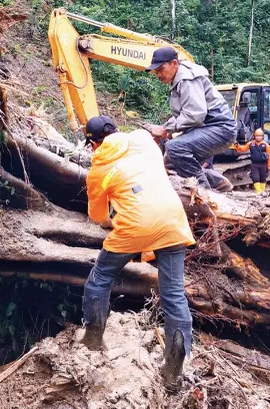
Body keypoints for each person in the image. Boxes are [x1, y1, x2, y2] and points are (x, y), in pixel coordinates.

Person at [82, 115, 196, 391]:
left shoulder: (98, 168)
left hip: (135, 225)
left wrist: (111, 218)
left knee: (100, 279)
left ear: (92, 143)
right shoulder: (144, 141)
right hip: (172, 219)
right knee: (173, 295)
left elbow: (97, 215)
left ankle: (93, 339)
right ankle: (174, 362)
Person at [143, 47, 235, 192]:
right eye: (156, 71)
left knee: (175, 148)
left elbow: (195, 114)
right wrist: (167, 129)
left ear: (174, 63)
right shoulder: (178, 79)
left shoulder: (186, 79)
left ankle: (205, 194)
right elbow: (186, 114)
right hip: (209, 127)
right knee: (170, 161)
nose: (158, 75)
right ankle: (218, 182)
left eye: (161, 69)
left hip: (220, 128)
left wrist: (166, 128)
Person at [234, 128, 270, 194]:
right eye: (257, 136)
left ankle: (262, 190)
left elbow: (269, 156)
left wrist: (269, 165)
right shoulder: (251, 144)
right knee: (255, 178)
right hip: (254, 164)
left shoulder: (266, 145)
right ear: (254, 136)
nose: (258, 137)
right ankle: (259, 191)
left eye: (260, 136)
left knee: (263, 178)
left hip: (263, 164)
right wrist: (237, 145)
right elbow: (243, 149)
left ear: (262, 136)